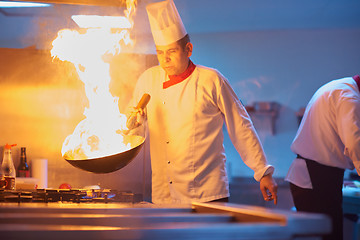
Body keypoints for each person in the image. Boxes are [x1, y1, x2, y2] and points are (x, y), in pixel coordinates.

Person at [129, 0, 277, 204]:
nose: (165, 60)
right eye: (160, 52)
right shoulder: (148, 79)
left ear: (188, 49)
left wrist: (263, 172)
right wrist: (131, 124)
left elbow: (241, 125)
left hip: (206, 193)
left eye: (171, 51)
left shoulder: (211, 80)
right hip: (163, 195)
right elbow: (134, 123)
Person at [285, 75, 360, 240]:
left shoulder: (339, 87)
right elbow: (354, 143)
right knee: (326, 235)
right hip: (316, 176)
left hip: (316, 174)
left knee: (324, 233)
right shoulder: (349, 96)